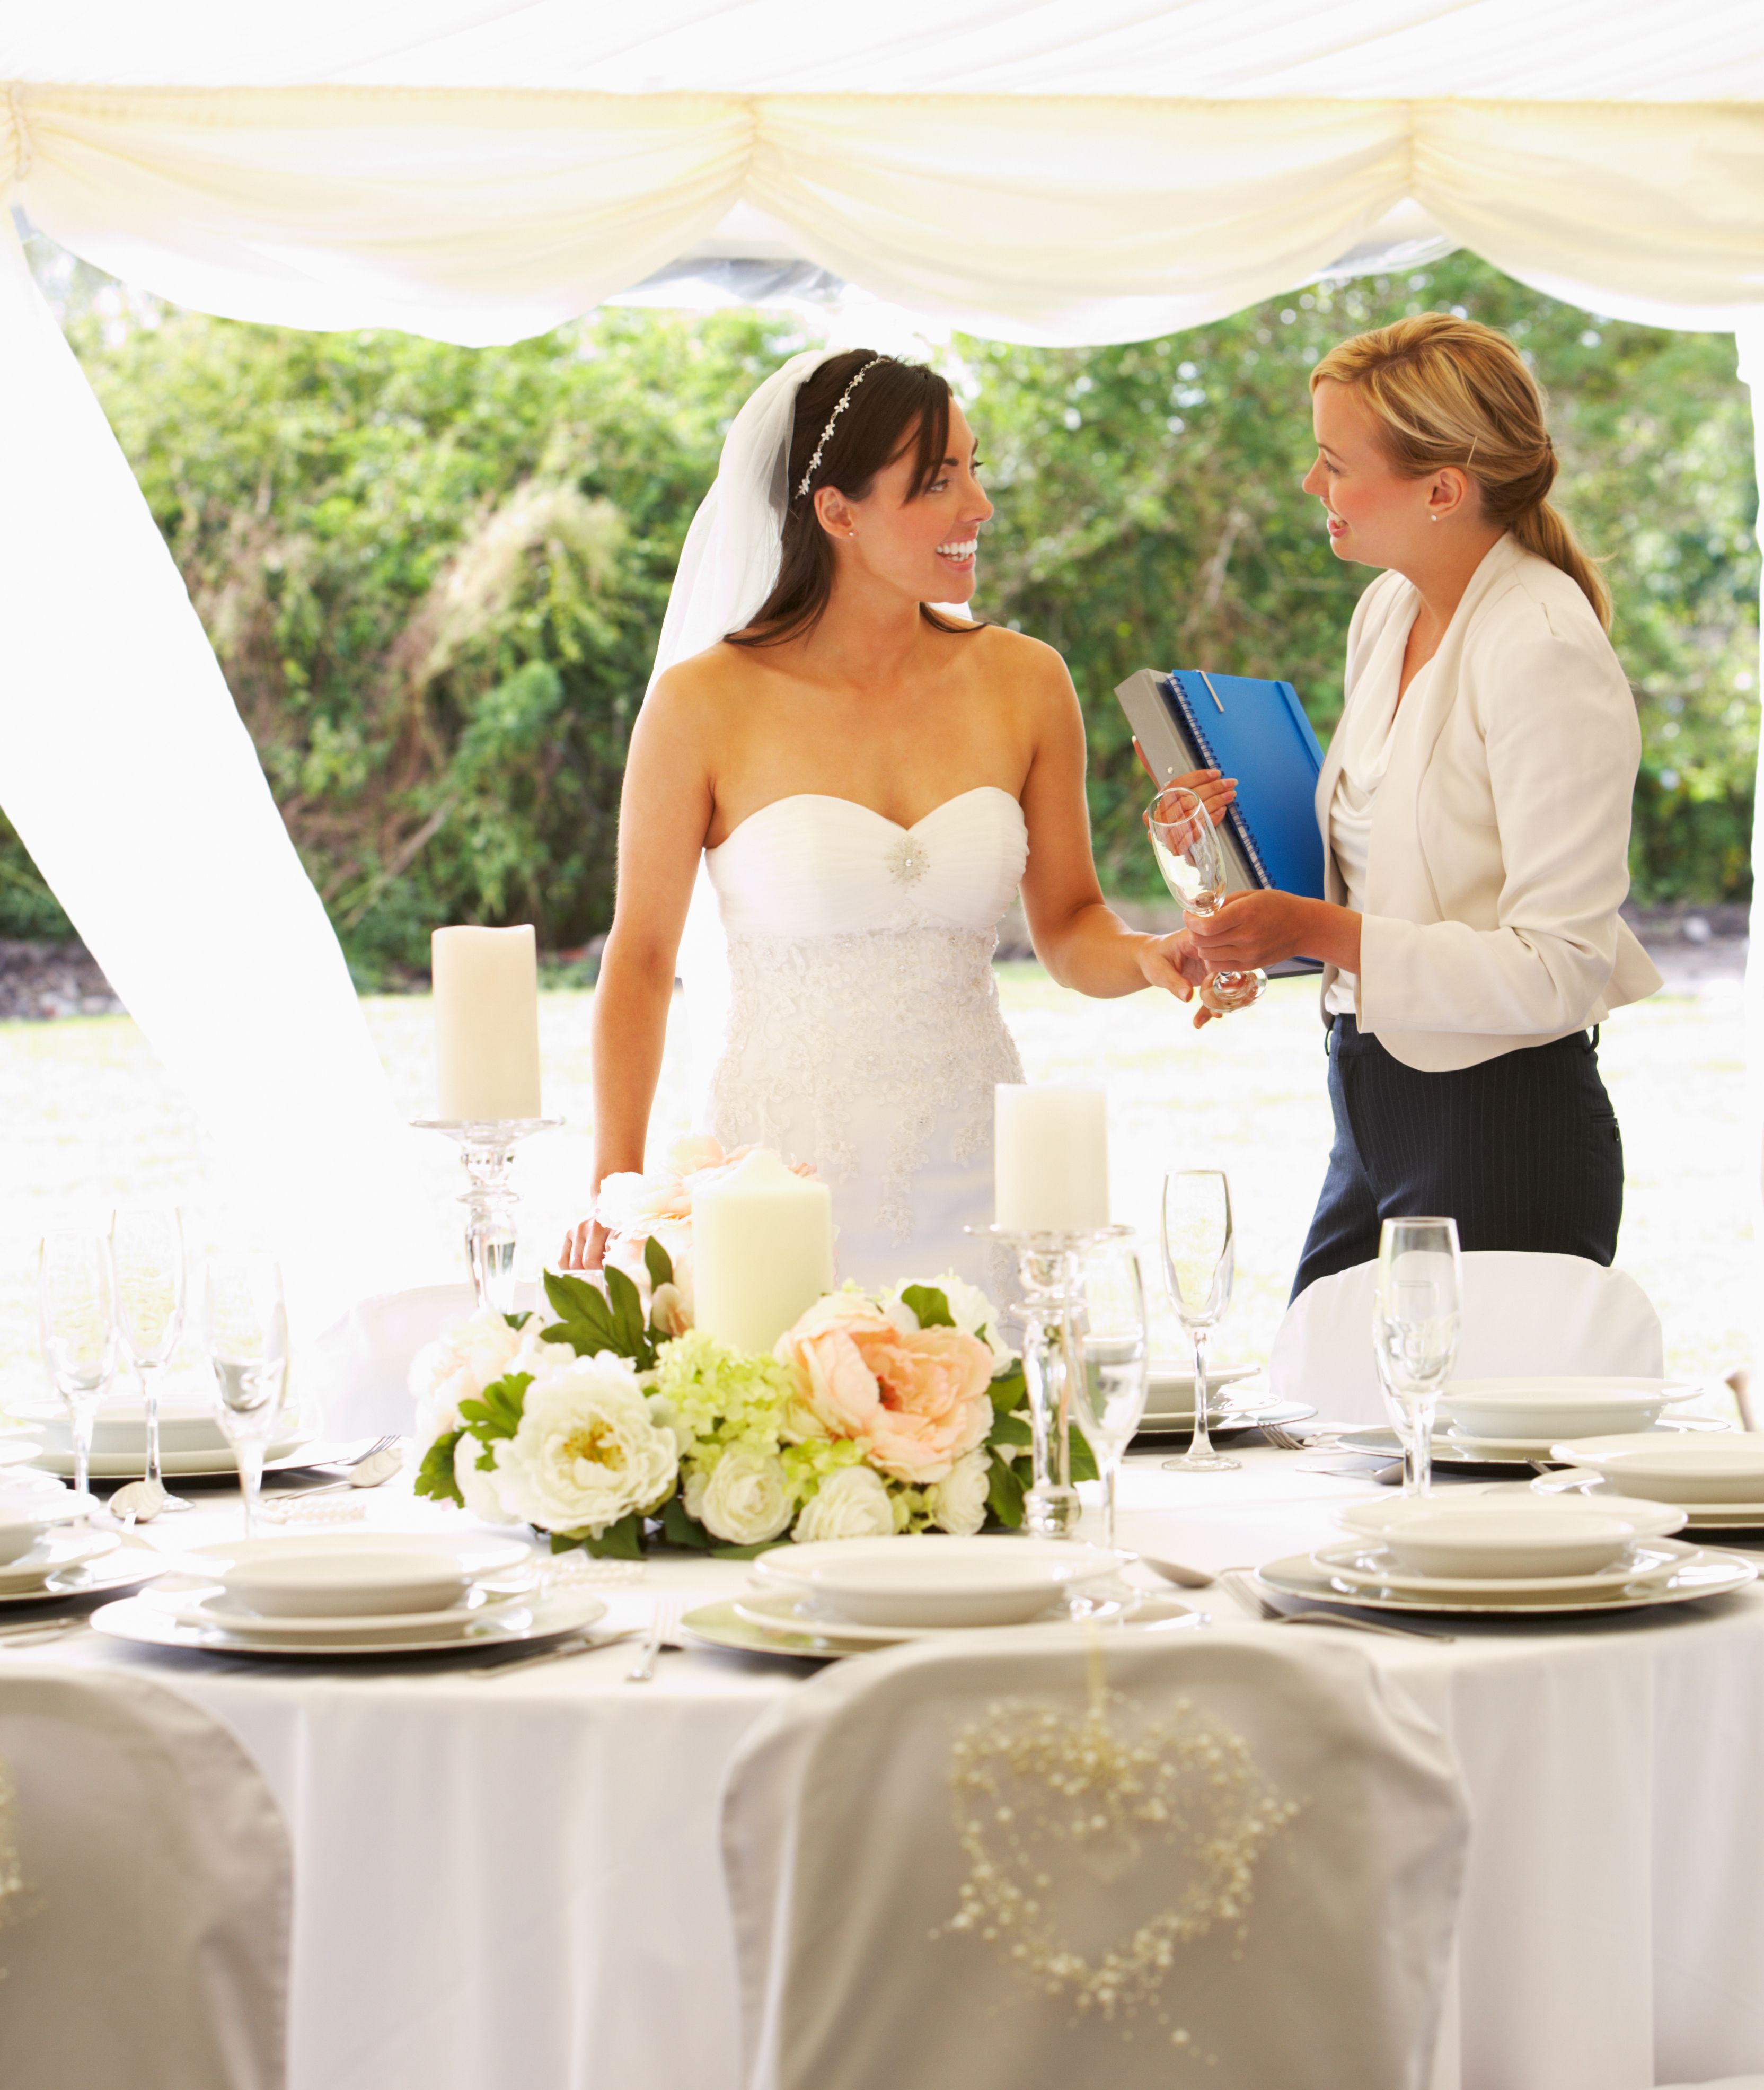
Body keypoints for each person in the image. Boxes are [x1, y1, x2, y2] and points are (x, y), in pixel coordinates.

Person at [560, 348, 1227, 1290]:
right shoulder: (702, 704)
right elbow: (637, 958)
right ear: (837, 511)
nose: (979, 508)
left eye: (974, 469)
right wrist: (613, 1183)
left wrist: (1149, 955)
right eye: (938, 482)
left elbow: (1073, 924)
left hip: (982, 1165)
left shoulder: (1028, 681)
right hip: (778, 1183)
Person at [1184, 313, 1660, 1296]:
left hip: (1506, 1128)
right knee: (1323, 1395)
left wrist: (1322, 927)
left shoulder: (1543, 646)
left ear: (1443, 490)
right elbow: (1379, 866)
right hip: (1371, 1094)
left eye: (1332, 461)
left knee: (1449, 1441)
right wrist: (1216, 847)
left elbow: (1562, 968)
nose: (1311, 485)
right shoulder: (1388, 609)